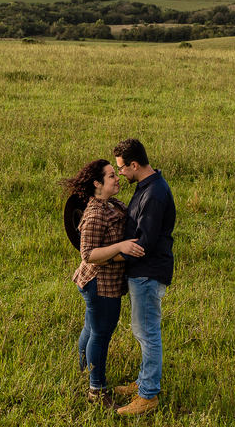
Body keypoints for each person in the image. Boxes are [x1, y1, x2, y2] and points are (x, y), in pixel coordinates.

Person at [62, 159, 145, 406]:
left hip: (102, 281)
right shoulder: (96, 213)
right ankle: (96, 390)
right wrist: (121, 247)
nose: (117, 178)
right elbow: (87, 254)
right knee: (100, 333)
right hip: (100, 283)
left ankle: (83, 368)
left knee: (91, 327)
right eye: (111, 176)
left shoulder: (110, 204)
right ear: (97, 184)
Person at [111, 138, 175, 417]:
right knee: (142, 331)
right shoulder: (146, 186)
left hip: (148, 273)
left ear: (135, 165)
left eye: (122, 168)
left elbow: (143, 244)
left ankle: (148, 395)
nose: (120, 173)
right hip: (142, 272)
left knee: (147, 333)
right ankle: (143, 382)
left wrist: (106, 255)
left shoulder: (154, 194)